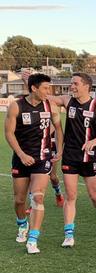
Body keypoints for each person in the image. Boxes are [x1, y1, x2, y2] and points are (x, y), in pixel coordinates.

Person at [49, 73, 96, 247]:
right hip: (70, 155)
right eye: (71, 84)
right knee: (70, 196)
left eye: (75, 84)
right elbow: (45, 97)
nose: (72, 87)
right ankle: (69, 234)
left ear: (86, 86)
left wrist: (95, 141)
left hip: (89, 157)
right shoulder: (67, 100)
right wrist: (29, 82)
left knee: (94, 196)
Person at [4, 73, 63, 253]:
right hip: (21, 159)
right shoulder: (16, 106)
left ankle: (33, 239)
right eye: (45, 88)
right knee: (19, 200)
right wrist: (21, 155)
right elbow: (9, 133)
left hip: (42, 158)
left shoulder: (51, 107)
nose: (48, 91)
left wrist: (59, 150)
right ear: (34, 88)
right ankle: (22, 225)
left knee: (37, 197)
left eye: (49, 88)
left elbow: (59, 129)